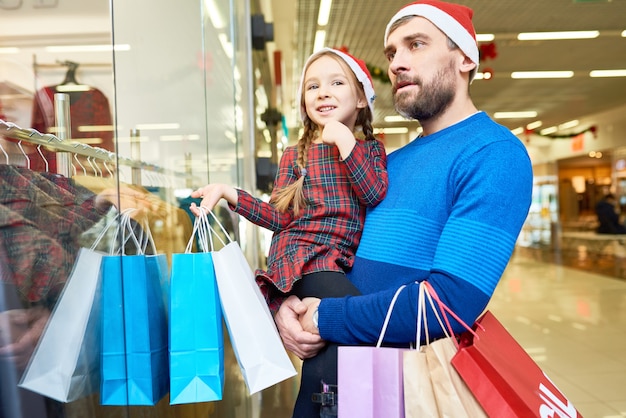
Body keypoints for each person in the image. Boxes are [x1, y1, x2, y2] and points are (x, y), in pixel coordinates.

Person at [274, 0, 534, 413]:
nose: (397, 63)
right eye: (392, 52)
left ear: (465, 58)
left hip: (407, 393)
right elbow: (322, 247)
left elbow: (448, 304)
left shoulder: (495, 155)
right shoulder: (384, 166)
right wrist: (286, 306)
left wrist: (324, 318)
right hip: (340, 387)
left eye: (416, 44)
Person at [189, 48, 388, 418]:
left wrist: (345, 141)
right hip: (303, 260)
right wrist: (232, 194)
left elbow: (373, 192)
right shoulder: (295, 154)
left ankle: (317, 408)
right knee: (357, 320)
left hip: (332, 263)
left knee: (323, 344)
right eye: (313, 86)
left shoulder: (370, 151)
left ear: (361, 97)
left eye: (336, 82)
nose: (323, 92)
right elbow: (279, 218)